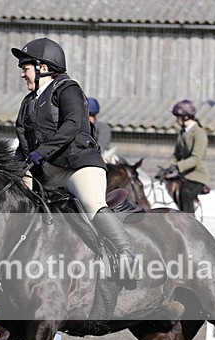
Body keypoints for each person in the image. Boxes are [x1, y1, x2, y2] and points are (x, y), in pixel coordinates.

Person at [11, 37, 136, 282]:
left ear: (42, 68)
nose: (22, 75)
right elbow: (22, 137)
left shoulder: (68, 89)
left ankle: (126, 256)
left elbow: (71, 126)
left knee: (91, 204)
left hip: (79, 165)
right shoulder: (28, 102)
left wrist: (42, 151)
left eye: (25, 68)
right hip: (48, 171)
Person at [159, 99, 210, 213]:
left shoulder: (199, 133)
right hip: (184, 175)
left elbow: (196, 159)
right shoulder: (182, 133)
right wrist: (165, 169)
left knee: (185, 193)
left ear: (186, 117)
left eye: (178, 116)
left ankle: (191, 224)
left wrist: (176, 167)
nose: (176, 120)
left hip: (197, 176)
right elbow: (175, 156)